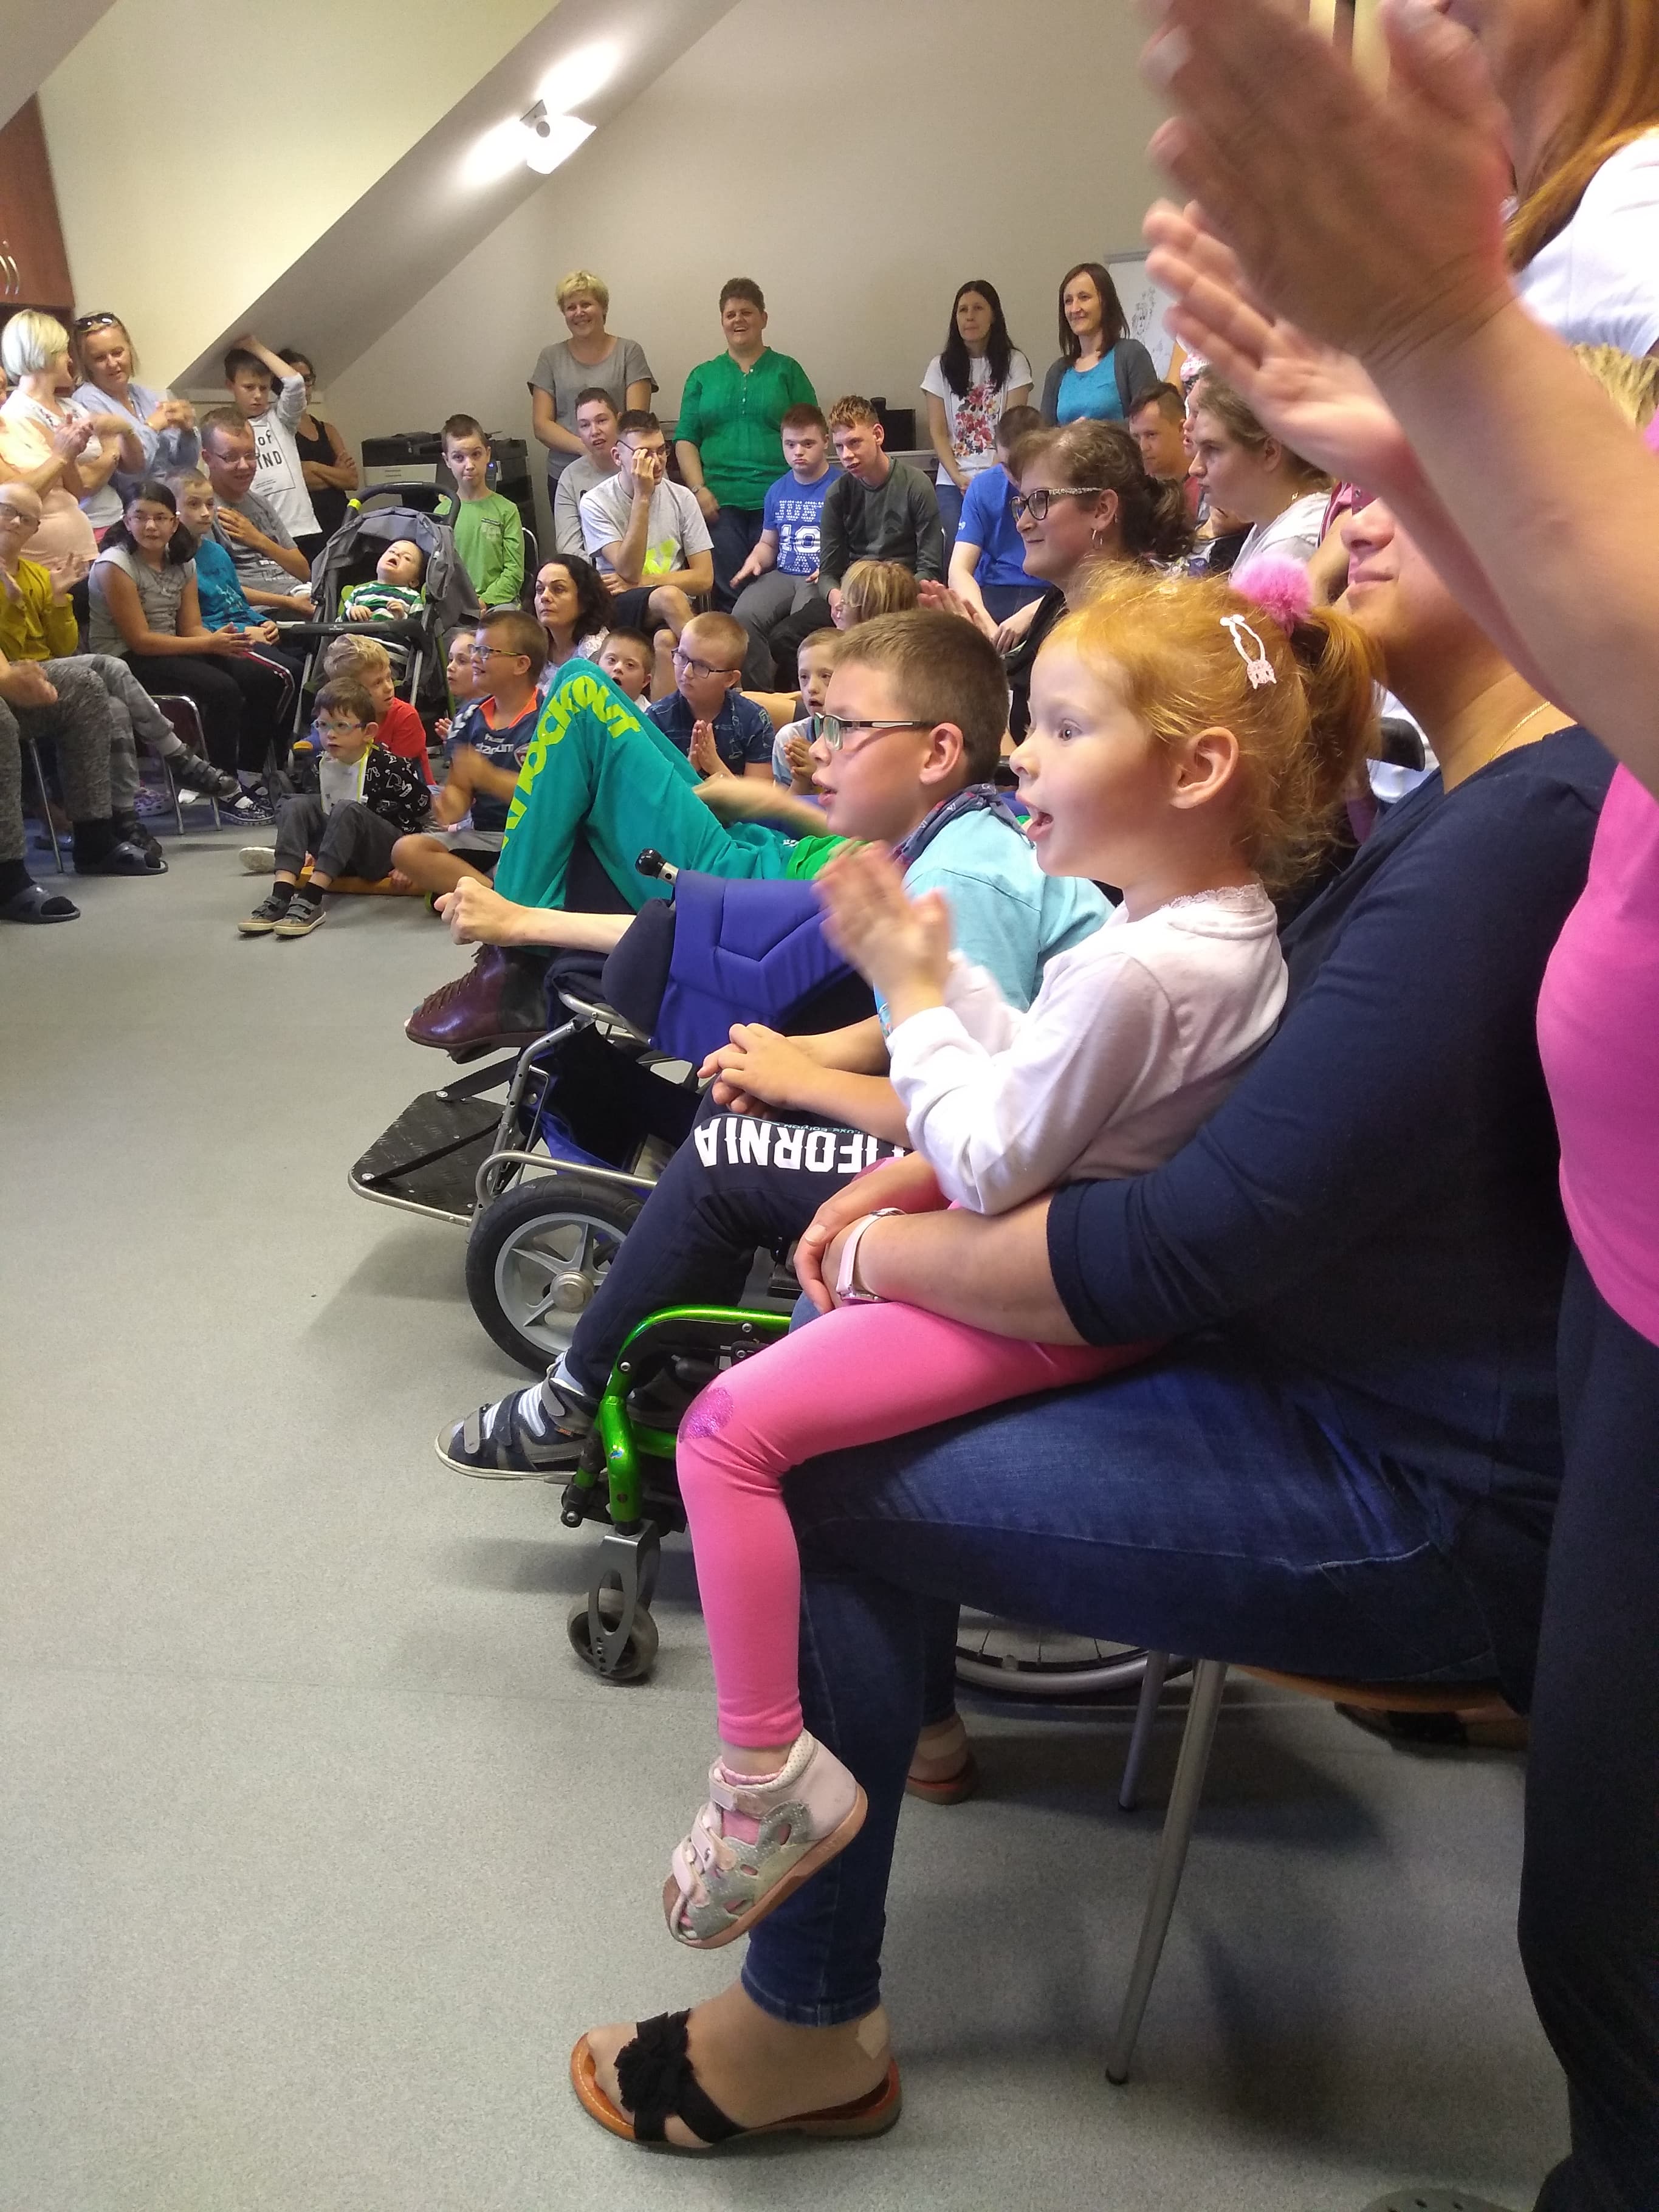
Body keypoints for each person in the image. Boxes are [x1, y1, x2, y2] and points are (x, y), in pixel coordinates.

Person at [567, 491, 1612, 2161]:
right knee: (801, 1373)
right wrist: (919, 1166)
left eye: (1405, 457)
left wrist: (897, 1237)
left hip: (1398, 1473)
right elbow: (1156, 1147)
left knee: (799, 1464)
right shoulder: (1440, 818)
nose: (1350, 500)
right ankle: (868, 1797)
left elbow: (1178, 1236)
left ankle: (804, 2018)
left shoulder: (1511, 834)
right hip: (1300, 1368)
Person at [1140, 4, 1659, 2200]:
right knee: (1607, 1896)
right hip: (1630, 1250)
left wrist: (1446, 344)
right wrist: (1410, 419)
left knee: (1629, 1936)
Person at [654, 563, 1375, 1950]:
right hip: (1063, 1275)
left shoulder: (1148, 964)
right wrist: (948, 985)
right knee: (790, 1377)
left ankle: (764, 1779)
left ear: (1194, 771)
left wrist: (910, 989)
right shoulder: (1187, 930)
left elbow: (995, 1156)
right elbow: (1040, 1087)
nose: (1024, 757)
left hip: (1046, 1307)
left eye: (1062, 729)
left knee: (725, 1438)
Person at [437, 609, 1110, 1477]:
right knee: (739, 1106)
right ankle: (670, 1366)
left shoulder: (960, 881)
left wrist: (808, 1083)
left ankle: (574, 1401)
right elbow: (931, 1024)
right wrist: (811, 1058)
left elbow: (979, 1121)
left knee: (728, 1150)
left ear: (937, 752)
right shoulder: (957, 839)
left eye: (847, 728)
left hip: (1033, 1196)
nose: (817, 751)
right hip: (1022, 1154)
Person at [0, 478, 241, 823]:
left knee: (113, 706)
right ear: (126, 521)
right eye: (7, 512)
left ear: (36, 529)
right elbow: (11, 655)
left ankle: (122, 817)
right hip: (15, 679)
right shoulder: (116, 563)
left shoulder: (37, 575)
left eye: (26, 519)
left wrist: (58, 602)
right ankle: (179, 757)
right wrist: (13, 606)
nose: (15, 522)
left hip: (52, 672)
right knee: (111, 667)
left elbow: (61, 648)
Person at [88, 479, 291, 819]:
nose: (150, 526)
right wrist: (209, 643)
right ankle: (223, 789)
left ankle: (249, 773)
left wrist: (226, 640)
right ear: (126, 521)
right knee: (223, 689)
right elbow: (140, 641)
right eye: (140, 517)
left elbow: (191, 627)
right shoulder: (115, 565)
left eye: (160, 518)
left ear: (174, 523)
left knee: (263, 678)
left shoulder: (183, 560)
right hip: (126, 659)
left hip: (173, 646)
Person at [997, 420, 1195, 737]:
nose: (1023, 524)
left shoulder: (1140, 632)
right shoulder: (1058, 603)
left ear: (1102, 510)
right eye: (1023, 504)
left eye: (1040, 501)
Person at [239, 679, 433, 938]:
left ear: (368, 731)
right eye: (322, 725)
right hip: (338, 854)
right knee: (295, 803)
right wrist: (307, 847)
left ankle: (312, 897)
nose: (330, 734)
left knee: (347, 809)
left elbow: (428, 816)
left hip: (381, 856)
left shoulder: (391, 767)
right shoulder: (317, 766)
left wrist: (412, 862)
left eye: (341, 726)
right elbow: (316, 812)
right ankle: (282, 893)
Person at [673, 280, 817, 606]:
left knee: (777, 592)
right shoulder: (702, 376)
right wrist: (698, 490)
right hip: (718, 504)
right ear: (722, 322)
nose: (738, 320)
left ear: (763, 318)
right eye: (730, 314)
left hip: (779, 500)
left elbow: (812, 433)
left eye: (747, 312)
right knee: (729, 593)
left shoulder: (787, 371)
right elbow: (685, 439)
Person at [390, 610, 546, 899]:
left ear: (521, 664)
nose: (475, 659)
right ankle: (492, 896)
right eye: (475, 650)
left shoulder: (549, 718)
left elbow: (548, 796)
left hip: (535, 837)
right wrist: (450, 804)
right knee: (406, 850)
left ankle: (484, 890)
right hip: (484, 836)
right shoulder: (469, 716)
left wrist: (489, 777)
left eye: (485, 652)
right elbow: (460, 789)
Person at [0, 311, 142, 582]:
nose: (71, 359)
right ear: (47, 353)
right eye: (65, 350)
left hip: (95, 537)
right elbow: (81, 482)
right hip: (50, 560)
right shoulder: (19, 414)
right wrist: (110, 451)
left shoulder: (71, 407)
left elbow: (73, 486)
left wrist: (121, 431)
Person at [730, 405, 841, 687]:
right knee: (743, 616)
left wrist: (834, 567)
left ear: (825, 442)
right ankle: (761, 694)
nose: (798, 452)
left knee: (799, 628)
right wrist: (755, 560)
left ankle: (801, 695)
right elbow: (769, 543)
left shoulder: (842, 486)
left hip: (819, 576)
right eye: (790, 445)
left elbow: (855, 541)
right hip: (783, 572)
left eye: (808, 444)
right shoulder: (777, 490)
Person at [920, 280, 1034, 549]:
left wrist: (987, 478)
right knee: (957, 549)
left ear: (993, 315)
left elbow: (1013, 429)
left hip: (1001, 474)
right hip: (952, 482)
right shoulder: (939, 367)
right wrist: (958, 478)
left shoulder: (1015, 362)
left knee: (1000, 550)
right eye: (963, 310)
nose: (970, 316)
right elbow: (938, 431)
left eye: (978, 308)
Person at [579, 410, 712, 637]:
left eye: (661, 451)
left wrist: (646, 582)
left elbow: (705, 578)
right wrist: (642, 497)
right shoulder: (595, 502)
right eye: (644, 454)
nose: (657, 461)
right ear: (618, 456)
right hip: (620, 602)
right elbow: (628, 571)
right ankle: (708, 656)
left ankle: (701, 656)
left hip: (674, 603)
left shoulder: (683, 498)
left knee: (666, 639)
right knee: (668, 596)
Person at [817, 399, 945, 623]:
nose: (846, 455)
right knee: (786, 635)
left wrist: (885, 600)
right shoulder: (837, 493)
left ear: (878, 435)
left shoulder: (916, 485)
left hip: (903, 595)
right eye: (839, 447)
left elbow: (930, 569)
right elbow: (827, 574)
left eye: (854, 442)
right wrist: (838, 599)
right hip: (855, 594)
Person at [69, 312, 199, 532]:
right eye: (100, 358)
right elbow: (130, 473)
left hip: (175, 505)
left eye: (117, 352)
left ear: (130, 350)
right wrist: (152, 427)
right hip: (138, 519)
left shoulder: (143, 395)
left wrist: (188, 431)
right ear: (86, 365)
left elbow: (184, 464)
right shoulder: (86, 400)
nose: (112, 364)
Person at [529, 271, 654, 498]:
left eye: (586, 304)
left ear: (603, 308)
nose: (579, 313)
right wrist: (587, 447)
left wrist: (605, 453)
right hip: (564, 475)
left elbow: (635, 420)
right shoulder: (550, 358)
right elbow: (541, 425)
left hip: (621, 473)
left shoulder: (629, 352)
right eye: (571, 307)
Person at [1186, 375, 1331, 569]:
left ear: (1269, 452)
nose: (1195, 469)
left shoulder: (1291, 542)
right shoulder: (1270, 524)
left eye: (1212, 449)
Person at [199, 410, 313, 617]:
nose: (244, 466)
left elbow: (303, 571)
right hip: (264, 614)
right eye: (231, 457)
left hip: (302, 597)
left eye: (250, 455)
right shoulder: (203, 511)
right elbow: (218, 588)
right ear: (208, 458)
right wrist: (290, 603)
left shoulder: (261, 503)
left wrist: (257, 539)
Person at [222, 335, 322, 559]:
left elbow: (295, 383)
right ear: (231, 386)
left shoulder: (281, 418)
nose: (258, 396)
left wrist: (254, 346)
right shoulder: (226, 428)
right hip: (262, 532)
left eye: (264, 388)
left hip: (302, 527)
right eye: (249, 387)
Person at [945, 404, 1046, 627]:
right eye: (1007, 466)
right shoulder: (983, 487)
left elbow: (1083, 577)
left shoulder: (1064, 486)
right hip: (994, 591)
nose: (1016, 477)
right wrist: (983, 622)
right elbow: (959, 569)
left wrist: (1031, 615)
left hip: (1048, 593)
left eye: (1024, 464)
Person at [646, 611, 775, 780]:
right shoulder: (656, 719)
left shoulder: (753, 720)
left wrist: (714, 765)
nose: (687, 672)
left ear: (730, 679)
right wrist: (690, 769)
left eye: (702, 666)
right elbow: (653, 788)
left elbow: (760, 794)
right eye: (682, 657)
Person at [1039, 262, 1159, 427]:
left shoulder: (1131, 355)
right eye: (1068, 301)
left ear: (1105, 302)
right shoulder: (1057, 371)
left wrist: (1092, 432)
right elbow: (1044, 435)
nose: (1075, 308)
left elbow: (1150, 423)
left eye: (1084, 298)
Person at [440, 415, 524, 610]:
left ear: (487, 454)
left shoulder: (507, 510)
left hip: (499, 604)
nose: (469, 465)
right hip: (457, 607)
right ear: (447, 460)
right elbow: (438, 571)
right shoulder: (442, 513)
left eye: (476, 455)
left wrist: (484, 602)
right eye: (459, 458)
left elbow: (514, 573)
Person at [318, 635, 430, 771]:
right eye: (377, 683)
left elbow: (400, 773)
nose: (389, 687)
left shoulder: (405, 716)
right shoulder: (336, 717)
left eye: (389, 677)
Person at [280, 349, 357, 544]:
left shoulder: (327, 429)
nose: (304, 389)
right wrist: (335, 474)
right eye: (297, 381)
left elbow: (351, 480)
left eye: (307, 380)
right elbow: (293, 481)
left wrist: (313, 467)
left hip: (341, 522)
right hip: (305, 529)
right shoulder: (278, 430)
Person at [552, 390, 622, 557]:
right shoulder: (570, 478)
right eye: (585, 425)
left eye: (602, 421)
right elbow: (569, 549)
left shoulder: (644, 463)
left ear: (619, 421)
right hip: (592, 571)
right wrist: (599, 572)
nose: (594, 431)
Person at [770, 628, 839, 793]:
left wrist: (819, 773)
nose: (811, 688)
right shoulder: (790, 738)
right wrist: (801, 778)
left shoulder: (864, 739)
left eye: (825, 676)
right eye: (804, 677)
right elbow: (783, 808)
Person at [531, 555, 611, 684]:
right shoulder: (534, 645)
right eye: (540, 590)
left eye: (558, 589)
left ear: (585, 599)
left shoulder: (599, 654)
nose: (544, 597)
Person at [339, 538, 427, 625]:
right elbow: (337, 625)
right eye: (392, 551)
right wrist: (351, 613)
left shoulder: (413, 597)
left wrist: (402, 618)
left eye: (407, 558)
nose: (397, 554)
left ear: (413, 582)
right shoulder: (359, 591)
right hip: (357, 633)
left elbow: (419, 628)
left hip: (391, 634)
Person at [596, 628, 655, 705]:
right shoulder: (583, 701)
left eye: (630, 665)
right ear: (596, 667)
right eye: (612, 660)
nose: (618, 668)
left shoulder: (648, 712)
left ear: (645, 681)